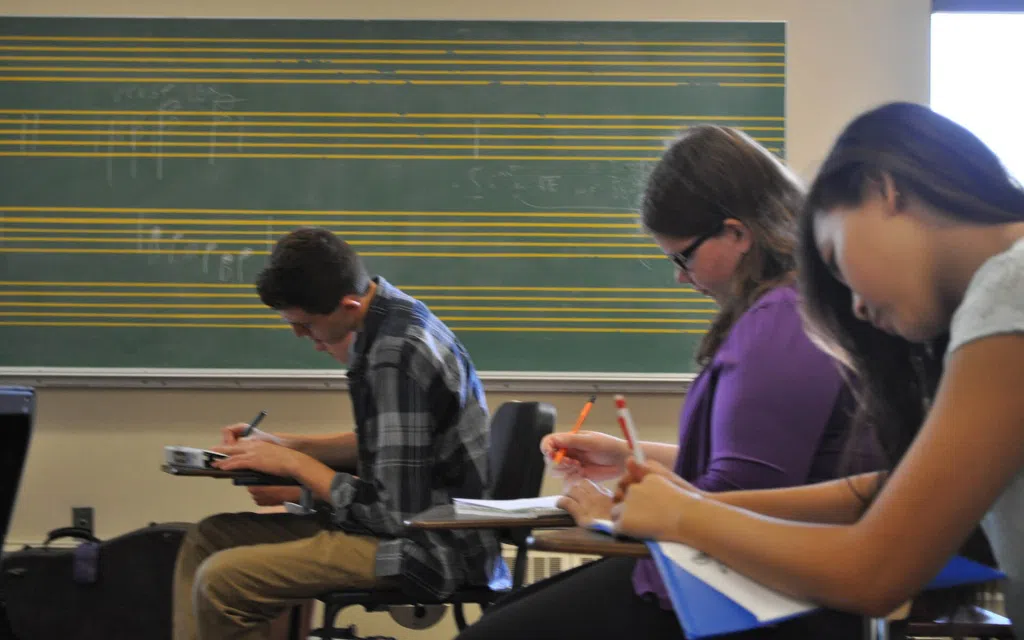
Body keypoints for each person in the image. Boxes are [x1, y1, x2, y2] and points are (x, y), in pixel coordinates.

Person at [610, 102, 1024, 634]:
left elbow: (875, 572)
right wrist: (687, 500)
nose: (852, 306)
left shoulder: (1008, 293)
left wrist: (685, 516)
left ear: (883, 192)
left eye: (833, 260)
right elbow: (888, 490)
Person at [454, 125, 879, 640]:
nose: (681, 276)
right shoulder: (791, 310)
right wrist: (625, 455)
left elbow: (737, 503)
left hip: (742, 600)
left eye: (684, 256)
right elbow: (758, 470)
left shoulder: (780, 321)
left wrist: (612, 513)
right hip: (743, 586)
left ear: (738, 233)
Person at [172, 227, 508, 640]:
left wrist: (297, 467)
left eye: (307, 325)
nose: (302, 336)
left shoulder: (396, 354)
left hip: (430, 551)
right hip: (407, 530)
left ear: (349, 305)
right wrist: (289, 446)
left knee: (223, 580)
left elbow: (393, 514)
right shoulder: (390, 318)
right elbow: (392, 446)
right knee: (207, 538)